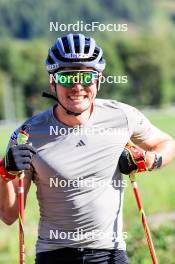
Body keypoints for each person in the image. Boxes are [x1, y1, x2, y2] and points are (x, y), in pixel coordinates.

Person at [0, 33, 175, 264]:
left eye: (86, 77)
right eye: (67, 78)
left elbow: (168, 145)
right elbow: (9, 215)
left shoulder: (121, 116)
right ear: (53, 82)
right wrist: (4, 173)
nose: (77, 86)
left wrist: (149, 160)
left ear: (98, 80)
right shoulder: (28, 134)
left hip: (110, 253)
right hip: (54, 255)